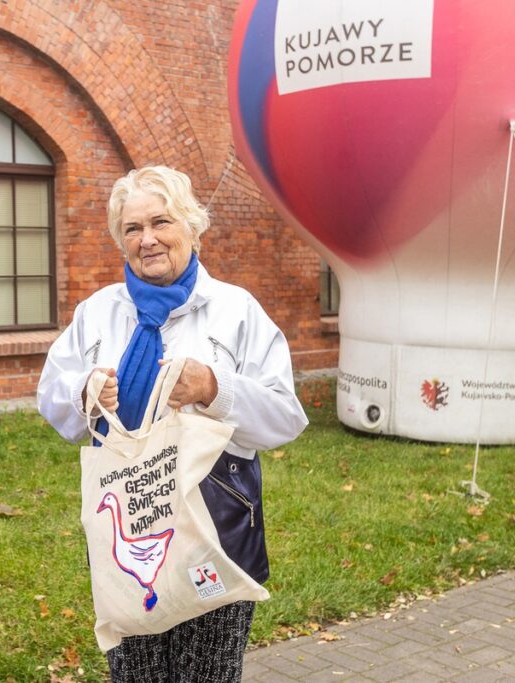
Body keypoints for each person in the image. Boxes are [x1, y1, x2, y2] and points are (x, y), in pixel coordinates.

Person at [37, 165, 308, 682]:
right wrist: (83, 393)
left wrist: (215, 389)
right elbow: (52, 398)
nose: (148, 240)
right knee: (135, 676)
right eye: (133, 229)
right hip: (128, 529)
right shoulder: (97, 313)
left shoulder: (236, 311)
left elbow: (285, 419)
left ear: (191, 226)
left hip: (214, 529)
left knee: (206, 675)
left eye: (161, 222)